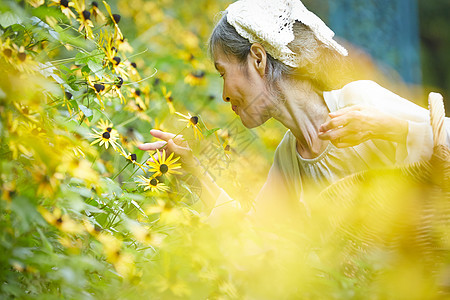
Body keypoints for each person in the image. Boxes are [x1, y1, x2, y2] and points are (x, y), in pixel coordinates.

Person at [138, 0, 450, 219]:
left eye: (223, 72)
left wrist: (387, 128)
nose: (222, 94)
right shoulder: (288, 158)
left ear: (258, 60)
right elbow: (250, 237)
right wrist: (192, 169)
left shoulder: (360, 100)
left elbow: (444, 142)